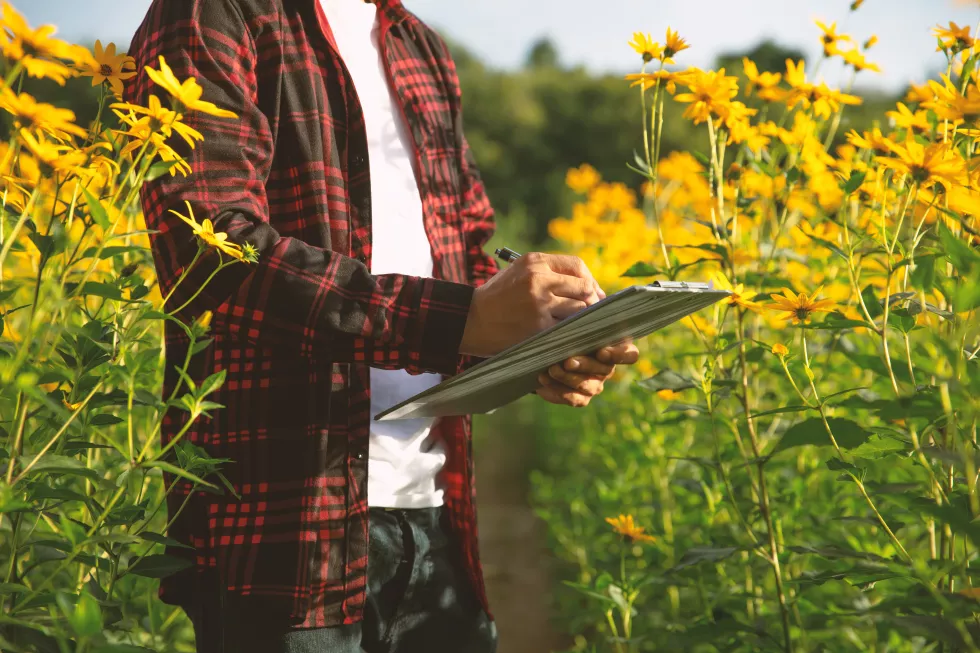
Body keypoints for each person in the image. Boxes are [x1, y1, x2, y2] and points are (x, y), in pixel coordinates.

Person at [124, 1, 639, 651]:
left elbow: (467, 254)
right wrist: (466, 318)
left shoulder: (418, 46)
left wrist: (537, 341)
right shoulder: (213, 13)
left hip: (436, 519)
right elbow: (212, 254)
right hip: (286, 538)